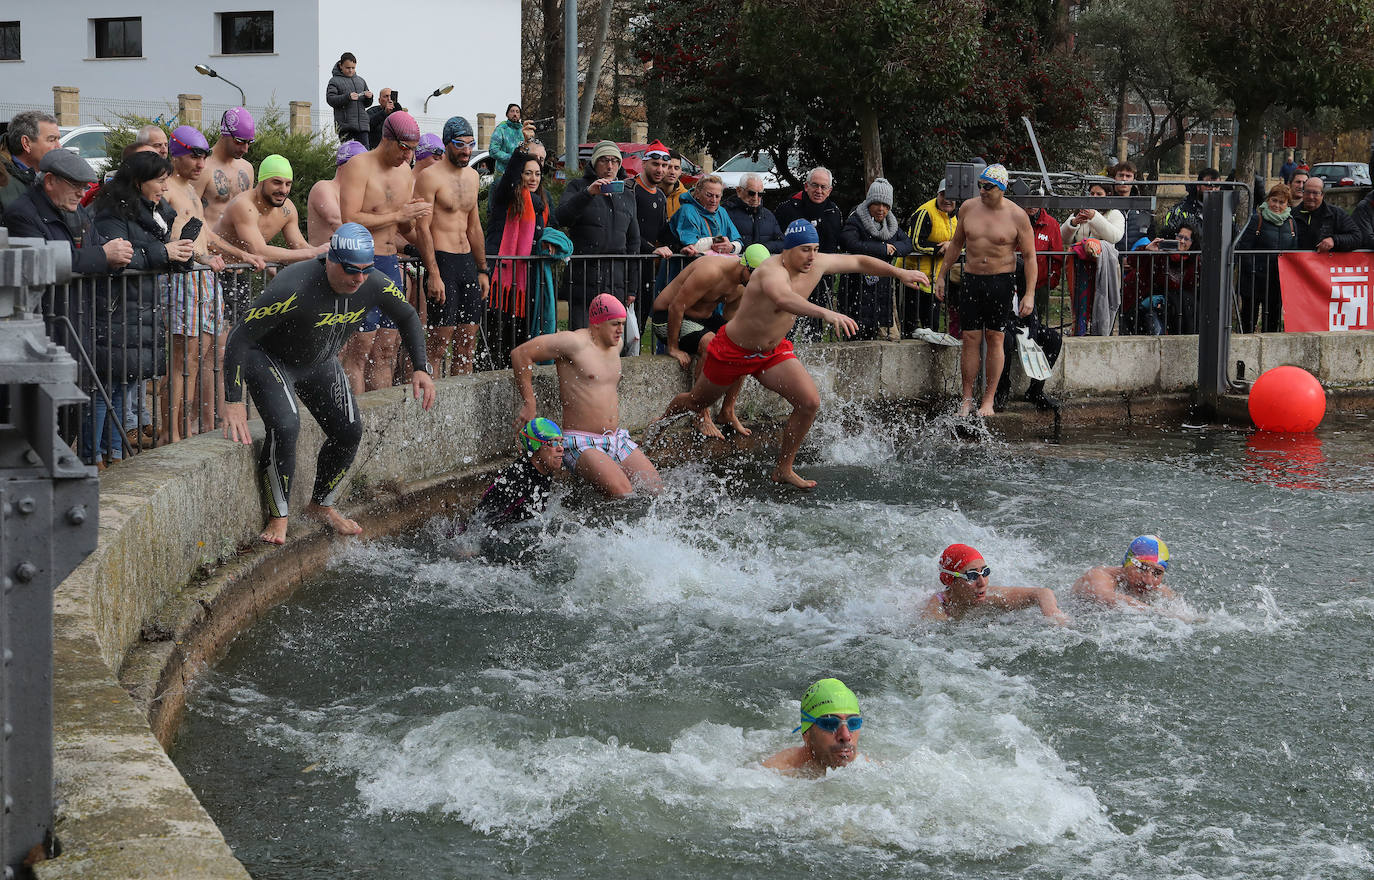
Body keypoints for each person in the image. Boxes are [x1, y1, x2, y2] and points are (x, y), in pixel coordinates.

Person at [659, 220, 926, 489]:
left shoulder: (817, 262)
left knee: (809, 402)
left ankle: (784, 469)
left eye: (815, 249)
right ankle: (658, 428)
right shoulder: (769, 270)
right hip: (733, 351)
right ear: (787, 250)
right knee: (694, 401)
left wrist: (898, 273)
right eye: (805, 250)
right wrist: (825, 312)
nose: (812, 256)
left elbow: (858, 262)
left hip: (772, 351)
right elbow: (783, 299)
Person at [221, 223, 435, 545]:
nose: (359, 279)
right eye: (351, 270)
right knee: (287, 426)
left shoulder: (372, 283)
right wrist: (233, 400)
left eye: (366, 270)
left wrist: (421, 367)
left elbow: (407, 315)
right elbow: (240, 336)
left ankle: (321, 505)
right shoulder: (292, 285)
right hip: (268, 360)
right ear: (331, 260)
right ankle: (278, 517)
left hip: (318, 362)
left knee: (349, 429)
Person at [88, 152, 195, 466]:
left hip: (142, 308)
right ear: (138, 181)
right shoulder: (111, 211)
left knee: (127, 383)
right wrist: (163, 251)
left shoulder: (158, 211)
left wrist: (182, 255)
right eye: (159, 181)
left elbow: (159, 254)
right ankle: (92, 457)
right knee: (105, 387)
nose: (165, 188)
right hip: (115, 308)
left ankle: (117, 454)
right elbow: (117, 256)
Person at [510, 294, 663, 498]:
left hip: (616, 439)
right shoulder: (572, 342)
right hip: (581, 442)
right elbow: (520, 354)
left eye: (622, 324)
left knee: (657, 492)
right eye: (615, 324)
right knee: (623, 493)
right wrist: (529, 402)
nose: (621, 330)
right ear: (597, 324)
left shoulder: (615, 345)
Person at [162, 126, 253, 441]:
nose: (201, 163)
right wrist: (201, 259)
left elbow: (205, 235)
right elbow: (172, 239)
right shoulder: (167, 189)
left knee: (197, 358)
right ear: (176, 154)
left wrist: (238, 253)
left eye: (203, 156)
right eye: (193, 156)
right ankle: (170, 434)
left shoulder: (189, 190)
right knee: (180, 361)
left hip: (203, 278)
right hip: (185, 279)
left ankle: (183, 428)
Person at [337, 110, 432, 393]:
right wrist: (399, 213)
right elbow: (350, 219)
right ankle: (354, 416)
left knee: (388, 347)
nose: (408, 157)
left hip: (390, 263)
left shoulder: (404, 172)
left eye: (412, 150)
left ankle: (379, 423)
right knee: (360, 348)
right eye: (404, 149)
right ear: (387, 139)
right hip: (362, 265)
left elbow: (402, 224)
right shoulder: (359, 166)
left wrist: (421, 228)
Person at [932, 164, 1037, 418]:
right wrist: (941, 276)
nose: (982, 190)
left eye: (988, 186)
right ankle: (966, 399)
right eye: (980, 184)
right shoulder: (968, 207)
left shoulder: (1017, 215)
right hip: (972, 281)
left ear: (1001, 188)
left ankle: (988, 400)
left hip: (1001, 282)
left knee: (996, 339)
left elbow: (1031, 257)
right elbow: (956, 244)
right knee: (969, 339)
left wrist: (1029, 293)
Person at [652, 245, 770, 437]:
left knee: (743, 346)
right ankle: (700, 414)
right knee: (711, 344)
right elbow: (676, 306)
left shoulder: (741, 288)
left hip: (700, 320)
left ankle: (727, 411)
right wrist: (672, 347)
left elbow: (732, 322)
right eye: (756, 275)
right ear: (745, 267)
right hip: (666, 318)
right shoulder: (710, 271)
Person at [415, 116, 490, 377]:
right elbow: (422, 228)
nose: (467, 150)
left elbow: (475, 227)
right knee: (438, 345)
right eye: (460, 144)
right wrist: (433, 273)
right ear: (447, 144)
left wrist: (482, 270)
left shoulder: (472, 176)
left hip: (467, 262)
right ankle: (429, 409)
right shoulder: (429, 177)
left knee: (467, 345)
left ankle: (461, 412)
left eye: (471, 144)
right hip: (442, 262)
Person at [1, 148, 130, 276]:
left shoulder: (75, 209)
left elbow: (96, 243)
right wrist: (103, 255)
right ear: (50, 181)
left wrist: (118, 255)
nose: (82, 194)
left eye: (85, 186)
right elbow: (43, 260)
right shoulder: (21, 214)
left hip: (79, 295)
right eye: (75, 185)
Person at [556, 141, 640, 329]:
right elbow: (561, 217)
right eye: (604, 160)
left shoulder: (627, 193)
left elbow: (634, 242)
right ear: (594, 163)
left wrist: (632, 286)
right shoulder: (578, 186)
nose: (610, 166)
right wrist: (588, 194)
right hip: (583, 278)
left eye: (614, 161)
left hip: (616, 280)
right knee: (582, 339)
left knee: (611, 341)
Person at [486, 148, 551, 367]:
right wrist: (521, 151)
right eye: (527, 173)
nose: (533, 178)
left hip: (527, 282)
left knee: (520, 339)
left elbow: (557, 224)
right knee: (496, 338)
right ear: (518, 175)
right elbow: (508, 178)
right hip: (501, 281)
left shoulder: (542, 203)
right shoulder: (505, 196)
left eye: (537, 174)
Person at [457, 417, 565, 543]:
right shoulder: (516, 480)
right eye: (553, 443)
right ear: (536, 446)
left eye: (561, 442)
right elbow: (482, 519)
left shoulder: (544, 469)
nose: (561, 448)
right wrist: (470, 546)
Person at [214, 155, 325, 265]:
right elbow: (259, 251)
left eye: (288, 184)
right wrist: (313, 253)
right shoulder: (243, 205)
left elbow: (299, 246)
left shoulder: (287, 209)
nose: (283, 190)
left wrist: (324, 253)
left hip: (241, 271)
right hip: (213, 271)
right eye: (277, 182)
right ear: (261, 181)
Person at [839, 177, 913, 340]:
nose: (881, 209)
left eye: (886, 205)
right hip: (856, 287)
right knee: (856, 335)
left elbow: (908, 243)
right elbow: (849, 242)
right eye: (877, 204)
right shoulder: (856, 219)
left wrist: (893, 251)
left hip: (881, 291)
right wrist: (881, 248)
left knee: (882, 335)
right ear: (869, 202)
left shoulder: (891, 223)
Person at [922, 543, 1068, 624]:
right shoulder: (936, 612)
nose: (982, 582)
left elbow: (1041, 593)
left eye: (985, 572)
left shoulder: (988, 595)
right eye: (971, 576)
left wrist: (1052, 612)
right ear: (949, 580)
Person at [761, 678, 862, 777]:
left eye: (853, 723)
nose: (845, 735)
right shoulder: (773, 774)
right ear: (806, 734)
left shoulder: (866, 768)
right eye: (830, 724)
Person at [1236, 183, 1298, 333]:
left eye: (1281, 202)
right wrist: (1254, 271)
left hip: (1276, 282)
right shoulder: (1256, 219)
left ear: (1287, 204)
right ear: (1268, 200)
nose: (1276, 205)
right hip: (1253, 281)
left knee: (1272, 323)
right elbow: (1244, 248)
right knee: (1248, 321)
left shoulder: (1291, 223)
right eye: (1274, 200)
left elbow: (1294, 251)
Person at [900, 179, 958, 334]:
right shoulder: (925, 212)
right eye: (943, 194)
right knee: (910, 324)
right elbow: (916, 243)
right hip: (913, 273)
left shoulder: (958, 216)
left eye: (951, 196)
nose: (947, 200)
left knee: (931, 324)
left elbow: (964, 242)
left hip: (935, 277)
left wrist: (951, 246)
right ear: (938, 194)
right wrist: (941, 248)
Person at [628, 140, 674, 328]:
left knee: (640, 323)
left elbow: (663, 232)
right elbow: (624, 231)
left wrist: (685, 244)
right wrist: (651, 248)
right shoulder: (630, 189)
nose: (660, 170)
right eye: (655, 164)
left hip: (647, 267)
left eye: (664, 165)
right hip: (627, 265)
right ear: (644, 163)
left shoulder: (661, 196)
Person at [1072, 535, 1177, 611]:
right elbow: (1104, 597)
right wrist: (1155, 612)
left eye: (1157, 573)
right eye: (1142, 568)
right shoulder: (1098, 575)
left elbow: (1185, 616)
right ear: (1127, 564)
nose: (1148, 581)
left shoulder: (1160, 590)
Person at [307, 140, 366, 246]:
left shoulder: (360, 194)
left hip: (354, 257)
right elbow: (336, 221)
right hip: (323, 260)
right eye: (360, 166)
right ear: (342, 166)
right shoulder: (323, 187)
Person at [0, 110, 61, 212]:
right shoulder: (3, 182)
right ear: (26, 143)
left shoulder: (54, 175)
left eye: (58, 139)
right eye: (52, 140)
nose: (59, 146)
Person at [1292, 177, 1362, 253]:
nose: (1311, 197)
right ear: (1303, 192)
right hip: (1298, 263)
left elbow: (1357, 237)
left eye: (1315, 193)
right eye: (1307, 192)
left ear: (1322, 194)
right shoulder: (1292, 215)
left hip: (1328, 263)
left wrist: (1334, 240)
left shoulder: (1336, 214)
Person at [722, 173, 785, 253]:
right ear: (739, 191)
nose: (756, 198)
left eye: (760, 194)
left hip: (763, 262)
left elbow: (782, 243)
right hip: (735, 262)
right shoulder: (726, 212)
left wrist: (764, 248)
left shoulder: (768, 215)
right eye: (751, 193)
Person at [1158, 168, 1220, 239]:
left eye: (1217, 185)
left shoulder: (1225, 210)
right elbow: (1167, 238)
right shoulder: (1179, 211)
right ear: (1198, 186)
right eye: (1209, 185)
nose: (1213, 189)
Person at [326, 52, 373, 146]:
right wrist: (347, 97)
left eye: (353, 68)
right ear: (341, 66)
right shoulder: (334, 81)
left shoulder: (361, 81)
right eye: (348, 68)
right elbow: (330, 99)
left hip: (363, 127)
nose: (351, 70)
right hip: (346, 127)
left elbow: (367, 104)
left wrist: (369, 98)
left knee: (364, 156)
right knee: (349, 157)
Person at [489, 103, 531, 179]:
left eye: (517, 112)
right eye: (512, 111)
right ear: (507, 114)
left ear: (520, 115)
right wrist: (512, 158)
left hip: (521, 174)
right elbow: (493, 150)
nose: (515, 114)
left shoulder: (524, 130)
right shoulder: (501, 129)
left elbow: (529, 149)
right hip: (503, 174)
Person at [663, 150, 689, 218]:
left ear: (680, 171)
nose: (672, 172)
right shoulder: (650, 193)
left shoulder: (686, 198)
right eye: (669, 167)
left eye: (676, 168)